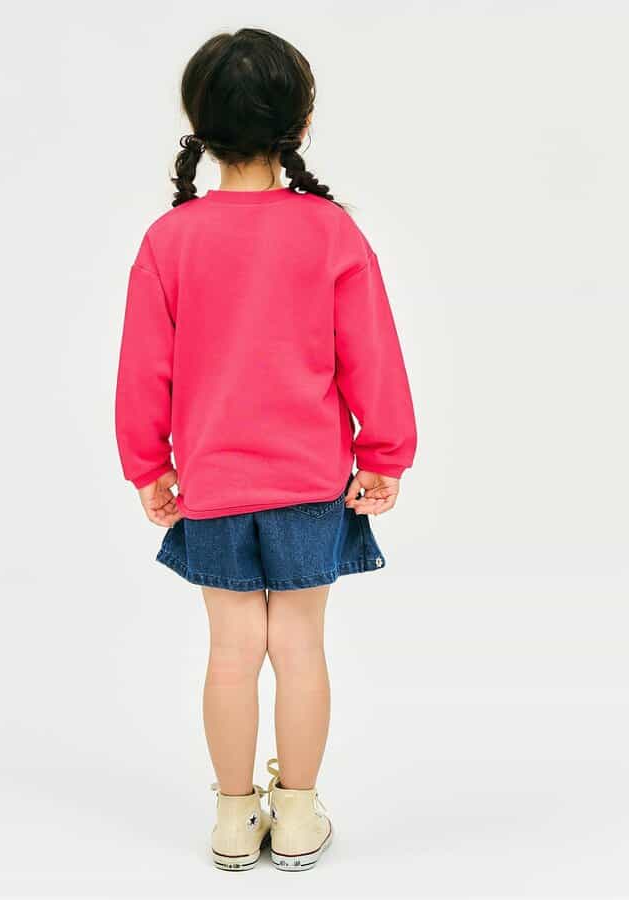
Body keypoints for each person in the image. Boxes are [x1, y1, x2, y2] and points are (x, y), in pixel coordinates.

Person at [115, 27, 417, 872]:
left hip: (212, 484)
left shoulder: (170, 240)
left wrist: (148, 466)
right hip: (311, 483)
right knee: (301, 649)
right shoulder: (330, 234)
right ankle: (296, 816)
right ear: (302, 123)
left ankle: (231, 818)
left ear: (198, 123)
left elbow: (143, 369)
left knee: (230, 653)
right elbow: (371, 355)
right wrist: (384, 452)